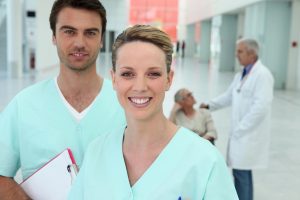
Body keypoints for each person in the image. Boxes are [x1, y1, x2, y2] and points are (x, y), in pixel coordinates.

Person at [68, 24, 238, 200]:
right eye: (127, 74)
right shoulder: (96, 152)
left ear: (168, 79)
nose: (140, 87)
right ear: (114, 79)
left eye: (153, 74)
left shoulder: (205, 160)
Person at [0, 0, 125, 199]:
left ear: (101, 39)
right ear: (54, 37)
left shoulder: (125, 102)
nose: (79, 43)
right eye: (69, 31)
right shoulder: (24, 106)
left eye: (90, 33)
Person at [200, 38, 274, 200]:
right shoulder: (242, 74)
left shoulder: (262, 75)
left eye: (240, 51)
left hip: (248, 134)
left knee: (241, 175)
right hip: (242, 135)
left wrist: (241, 128)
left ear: (252, 53)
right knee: (242, 174)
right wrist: (209, 105)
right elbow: (229, 96)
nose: (236, 55)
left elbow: (261, 108)